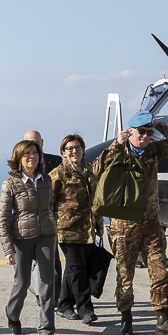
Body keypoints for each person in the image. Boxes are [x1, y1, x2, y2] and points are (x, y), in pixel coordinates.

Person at [93, 110, 168, 335]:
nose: (145, 136)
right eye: (141, 132)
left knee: (160, 273)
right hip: (124, 226)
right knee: (125, 275)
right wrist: (116, 143)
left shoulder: (154, 150)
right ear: (130, 131)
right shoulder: (118, 149)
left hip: (151, 224)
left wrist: (159, 125)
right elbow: (95, 170)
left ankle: (162, 320)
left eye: (149, 132)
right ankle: (126, 320)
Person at [0, 140, 59, 335]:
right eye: (27, 154)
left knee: (47, 283)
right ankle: (12, 314)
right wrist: (8, 249)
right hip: (21, 238)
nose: (32, 156)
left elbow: (51, 208)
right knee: (22, 283)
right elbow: (3, 219)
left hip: (47, 236)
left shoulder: (46, 180)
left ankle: (46, 332)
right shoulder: (10, 183)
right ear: (18, 158)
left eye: (35, 153)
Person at [50, 134, 104, 325]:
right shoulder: (58, 174)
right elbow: (48, 204)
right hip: (66, 230)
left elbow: (95, 201)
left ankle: (64, 305)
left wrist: (99, 225)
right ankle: (85, 309)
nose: (74, 151)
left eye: (78, 147)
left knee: (73, 268)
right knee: (78, 268)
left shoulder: (89, 170)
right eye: (70, 148)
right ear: (63, 153)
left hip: (86, 229)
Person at [23, 130, 62, 305]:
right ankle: (41, 293)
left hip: (54, 219)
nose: (33, 146)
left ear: (42, 142)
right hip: (30, 221)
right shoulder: (20, 164)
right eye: (29, 143)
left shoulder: (57, 161)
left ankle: (56, 295)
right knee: (36, 260)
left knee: (53, 259)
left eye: (36, 143)